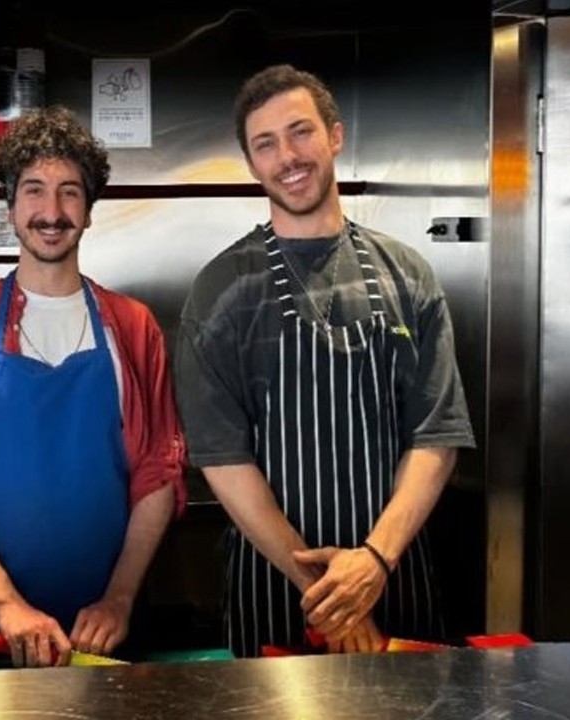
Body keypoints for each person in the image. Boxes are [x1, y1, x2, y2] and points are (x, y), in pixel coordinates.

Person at [173, 65, 476, 658]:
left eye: (301, 132)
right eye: (266, 144)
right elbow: (223, 458)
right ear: (252, 164)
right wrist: (323, 592)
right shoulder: (220, 291)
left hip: (395, 582)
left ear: (335, 136)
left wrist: (374, 561)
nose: (288, 156)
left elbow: (436, 435)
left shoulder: (407, 274)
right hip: (277, 594)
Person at [0, 106, 187, 668]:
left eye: (69, 192)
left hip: (107, 632)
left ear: (88, 209)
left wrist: (119, 599)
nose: (52, 212)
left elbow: (159, 473)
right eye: (34, 190)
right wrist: (7, 603)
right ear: (11, 206)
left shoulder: (132, 326)